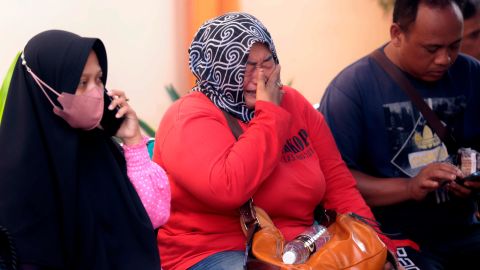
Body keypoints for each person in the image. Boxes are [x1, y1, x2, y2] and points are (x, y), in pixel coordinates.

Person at [153, 12, 396, 270]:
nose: (261, 76)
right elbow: (229, 188)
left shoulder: (294, 103)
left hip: (301, 246)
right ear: (217, 70)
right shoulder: (188, 117)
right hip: (216, 250)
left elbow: (340, 186)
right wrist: (269, 114)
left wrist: (379, 247)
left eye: (267, 61)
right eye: (245, 66)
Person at [319, 0, 480, 269]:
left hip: (464, 229)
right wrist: (409, 187)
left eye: (454, 45)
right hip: (393, 238)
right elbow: (335, 181)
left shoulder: (472, 73)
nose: (445, 59)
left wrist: (472, 178)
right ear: (396, 34)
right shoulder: (351, 89)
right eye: (432, 48)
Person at [0, 30, 170, 270]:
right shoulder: (16, 176)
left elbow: (154, 216)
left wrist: (132, 141)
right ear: (46, 87)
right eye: (82, 82)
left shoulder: (102, 150)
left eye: (99, 79)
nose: (95, 91)